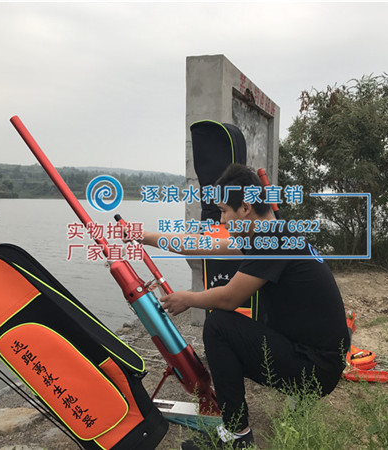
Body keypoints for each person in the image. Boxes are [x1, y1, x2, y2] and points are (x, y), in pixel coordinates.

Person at [140, 164, 349, 449]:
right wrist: (143, 236)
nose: (222, 220)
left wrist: (187, 298)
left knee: (219, 325)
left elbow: (229, 298)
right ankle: (269, 413)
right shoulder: (272, 233)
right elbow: (199, 245)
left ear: (246, 208)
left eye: (224, 211)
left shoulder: (273, 239)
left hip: (315, 370)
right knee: (235, 323)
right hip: (317, 359)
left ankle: (236, 436)